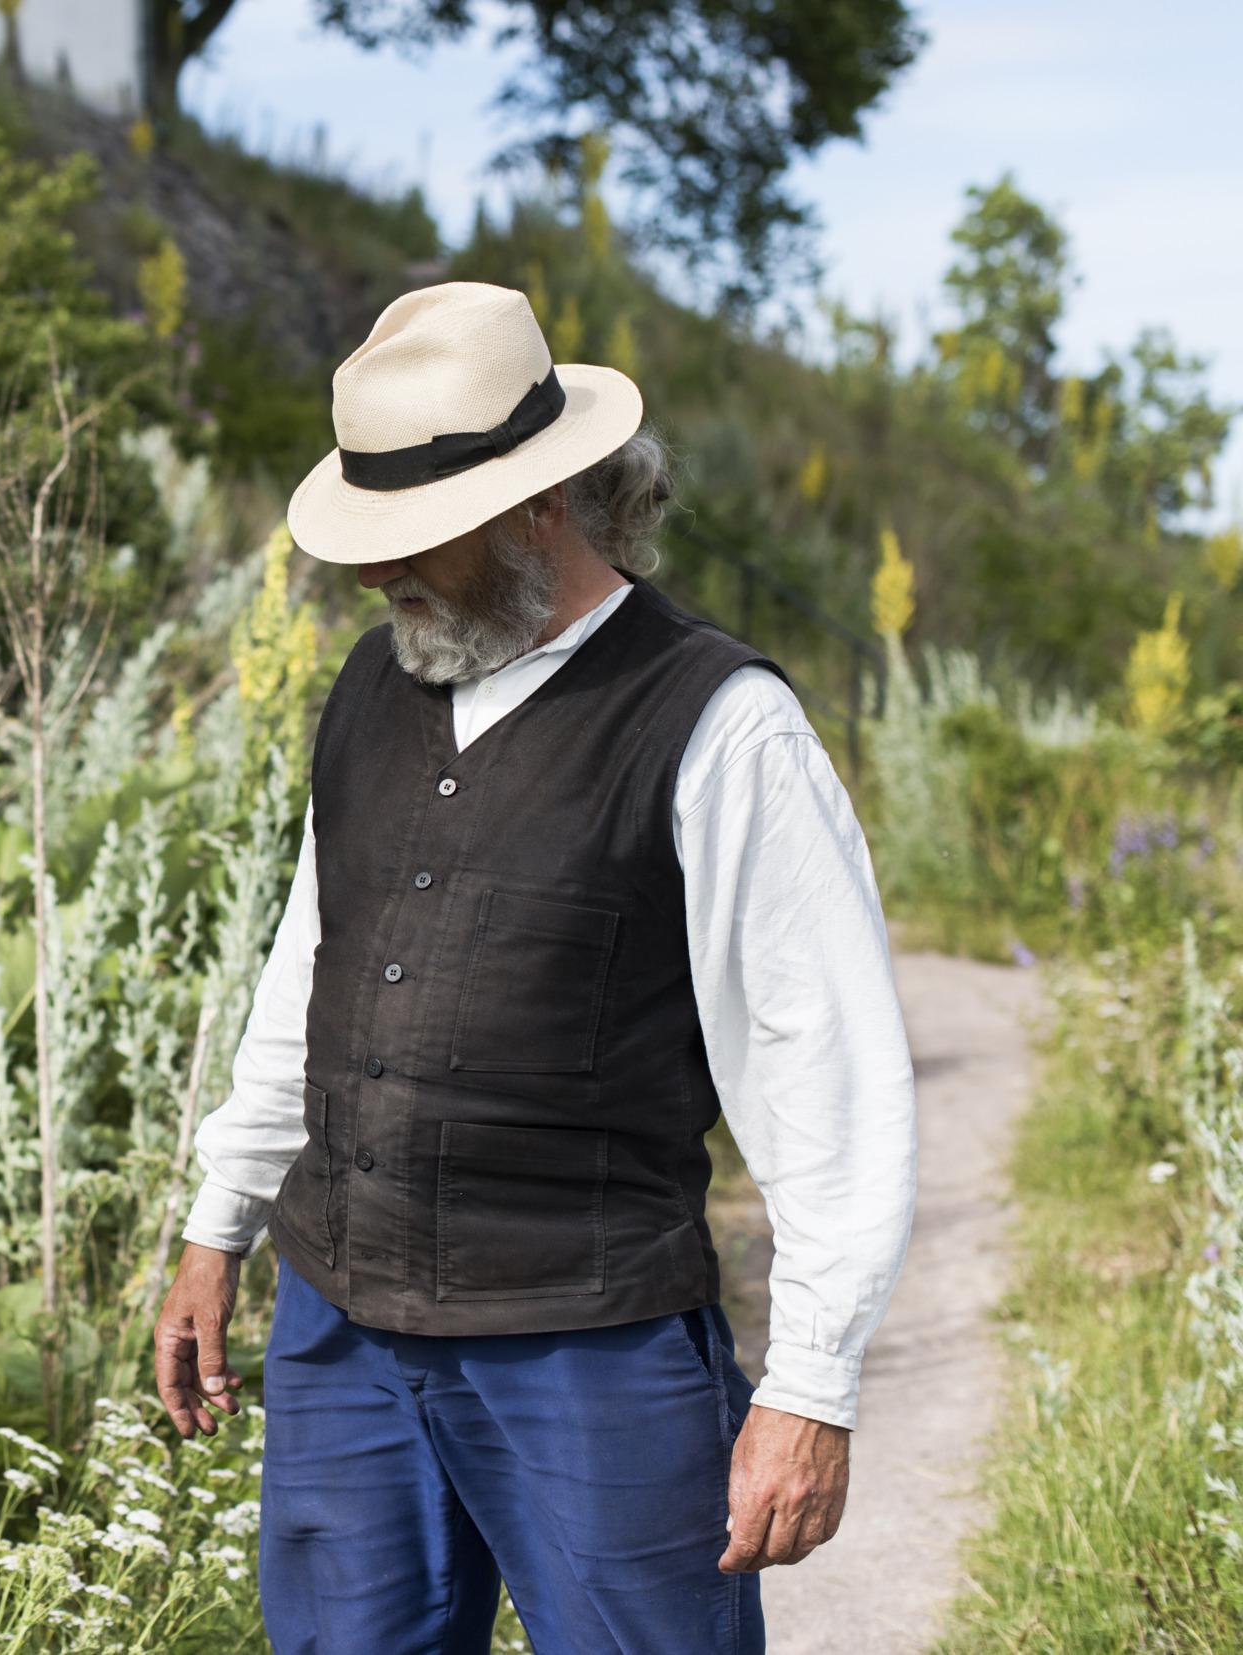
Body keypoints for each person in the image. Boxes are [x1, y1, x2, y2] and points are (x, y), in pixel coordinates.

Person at [150, 281, 918, 1654]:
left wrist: (813, 1386)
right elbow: (308, 973)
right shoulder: (372, 686)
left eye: (413, 539)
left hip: (590, 1347)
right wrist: (222, 1225)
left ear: (540, 504)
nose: (376, 575)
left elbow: (824, 1068)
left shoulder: (722, 725)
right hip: (340, 1331)